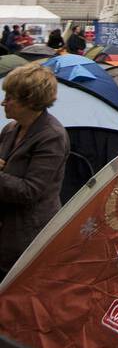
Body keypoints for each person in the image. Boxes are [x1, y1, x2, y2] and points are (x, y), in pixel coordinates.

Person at [0, 63, 70, 280]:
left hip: (28, 235)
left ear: (30, 101)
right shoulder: (11, 129)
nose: (3, 102)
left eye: (10, 97)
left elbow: (29, 191)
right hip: (6, 229)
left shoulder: (52, 136)